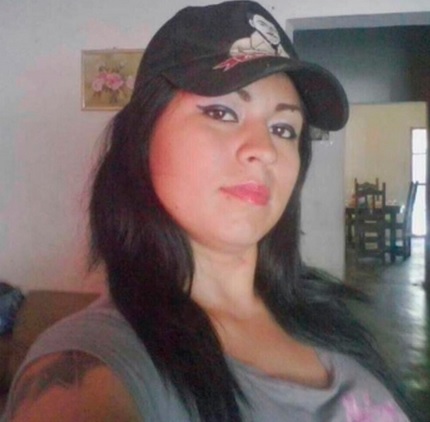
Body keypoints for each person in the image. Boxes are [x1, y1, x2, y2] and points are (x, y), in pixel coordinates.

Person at [1, 1, 421, 421]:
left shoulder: (326, 314)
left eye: (283, 129)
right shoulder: (91, 363)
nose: (264, 150)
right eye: (221, 112)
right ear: (141, 140)